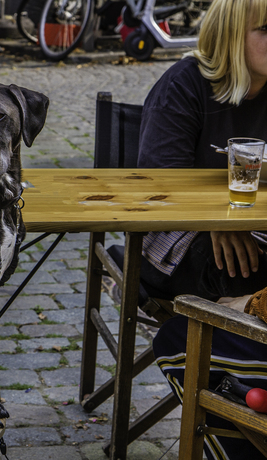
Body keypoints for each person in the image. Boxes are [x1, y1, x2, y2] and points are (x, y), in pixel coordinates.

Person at [117, 0, 267, 458]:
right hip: (174, 243)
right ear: (231, 34)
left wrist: (234, 220)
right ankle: (233, 331)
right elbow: (159, 184)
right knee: (243, 267)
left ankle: (240, 365)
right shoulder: (185, 85)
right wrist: (218, 219)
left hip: (252, 233)